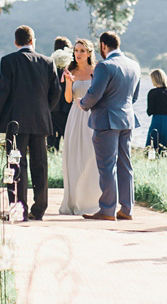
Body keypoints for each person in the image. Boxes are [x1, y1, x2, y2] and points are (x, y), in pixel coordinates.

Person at [0, 25, 61, 220]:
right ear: (33, 41)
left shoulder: (8, 61)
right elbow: (56, 92)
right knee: (40, 164)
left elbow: (3, 92)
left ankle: (19, 210)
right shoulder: (47, 61)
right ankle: (40, 208)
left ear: (16, 42)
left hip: (16, 122)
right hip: (40, 120)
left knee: (17, 165)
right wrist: (44, 110)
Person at [77, 31, 141, 222]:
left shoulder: (104, 66)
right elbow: (134, 97)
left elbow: (94, 94)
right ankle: (126, 209)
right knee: (125, 165)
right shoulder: (134, 65)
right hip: (127, 120)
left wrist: (82, 104)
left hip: (106, 121)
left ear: (103, 45)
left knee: (107, 166)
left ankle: (107, 210)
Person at [59, 38, 101, 215]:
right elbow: (68, 99)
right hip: (76, 117)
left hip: (93, 116)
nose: (78, 54)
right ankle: (74, 201)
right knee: (75, 159)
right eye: (76, 50)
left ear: (90, 53)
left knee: (92, 158)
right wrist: (69, 82)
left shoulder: (97, 70)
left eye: (82, 51)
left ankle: (92, 201)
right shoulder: (70, 70)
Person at [145, 68, 167, 154]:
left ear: (155, 80)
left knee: (153, 144)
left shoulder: (152, 92)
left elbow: (150, 112)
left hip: (157, 120)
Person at [48, 37, 72, 151]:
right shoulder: (71, 66)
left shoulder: (49, 64)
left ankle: (51, 158)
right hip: (66, 107)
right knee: (67, 137)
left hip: (52, 107)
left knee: (51, 139)